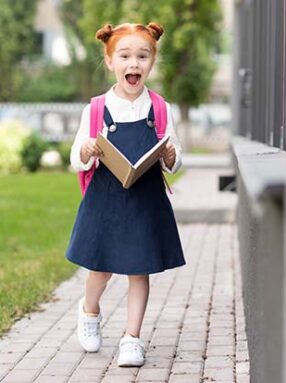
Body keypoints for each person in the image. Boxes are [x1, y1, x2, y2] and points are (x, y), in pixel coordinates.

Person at [65, 22, 186, 367]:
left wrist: (171, 156)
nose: (134, 64)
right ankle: (89, 311)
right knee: (100, 269)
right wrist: (88, 149)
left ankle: (132, 338)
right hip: (106, 199)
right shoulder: (96, 109)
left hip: (145, 200)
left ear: (152, 62)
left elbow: (175, 157)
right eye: (125, 56)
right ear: (110, 61)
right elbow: (76, 160)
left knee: (139, 269)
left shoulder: (161, 108)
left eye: (142, 56)